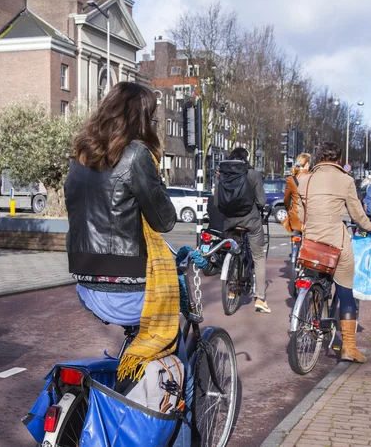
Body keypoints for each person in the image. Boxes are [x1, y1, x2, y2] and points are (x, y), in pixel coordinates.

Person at [64, 82, 192, 445]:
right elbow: (165, 221)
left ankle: (123, 391)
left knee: (139, 345)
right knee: (173, 355)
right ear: (141, 118)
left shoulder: (81, 154)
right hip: (127, 291)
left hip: (87, 286)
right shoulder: (137, 155)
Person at [298, 142, 371, 363]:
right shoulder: (346, 180)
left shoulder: (305, 181)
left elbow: (298, 213)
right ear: (338, 159)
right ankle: (349, 348)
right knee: (345, 291)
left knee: (314, 276)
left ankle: (312, 318)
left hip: (311, 243)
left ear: (317, 157)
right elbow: (357, 214)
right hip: (336, 242)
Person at [215, 147, 270, 313]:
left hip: (230, 221)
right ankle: (260, 298)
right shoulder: (252, 174)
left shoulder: (222, 175)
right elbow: (261, 201)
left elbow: (217, 201)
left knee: (235, 251)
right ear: (246, 158)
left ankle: (231, 290)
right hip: (250, 220)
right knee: (259, 256)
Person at [282, 153, 311, 235]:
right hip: (309, 217)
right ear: (307, 164)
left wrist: (289, 209)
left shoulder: (290, 179)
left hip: (296, 216)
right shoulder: (312, 177)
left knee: (296, 237)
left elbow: (286, 199)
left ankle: (295, 247)